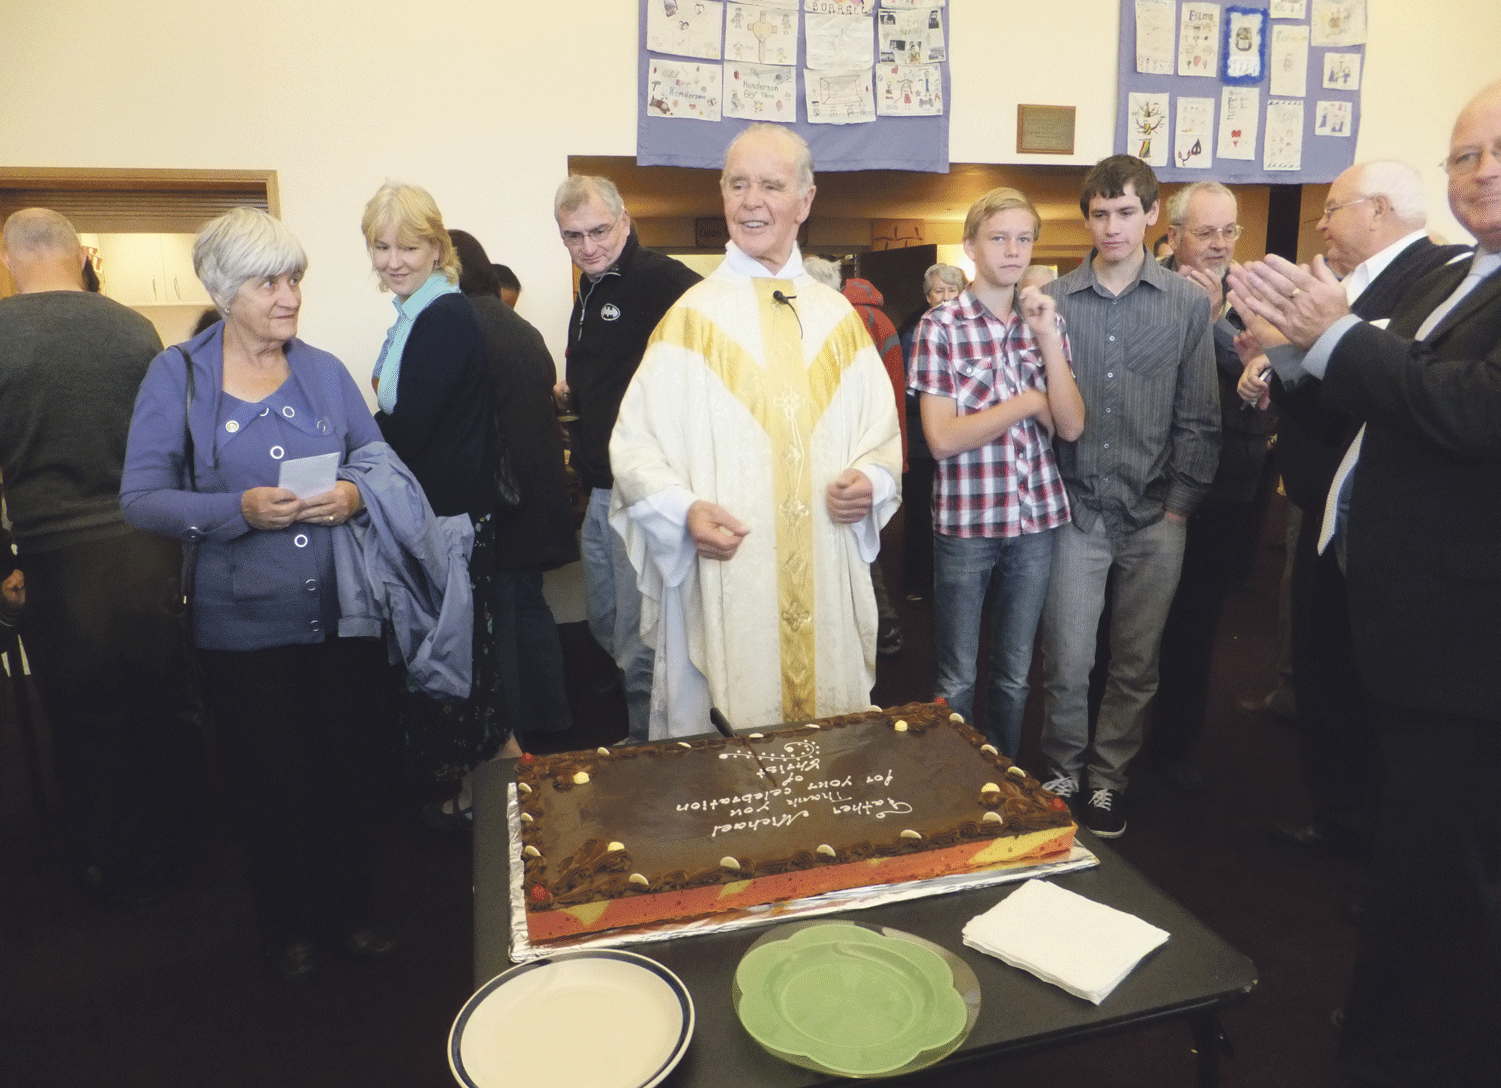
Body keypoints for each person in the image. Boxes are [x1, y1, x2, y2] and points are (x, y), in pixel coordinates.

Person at [1226, 79, 1501, 1088]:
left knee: (1450, 870)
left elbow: (1470, 410)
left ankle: (1421, 1048)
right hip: (1411, 618)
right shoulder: (1459, 276)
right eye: (1462, 154)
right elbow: (1383, 388)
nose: (1478, 172)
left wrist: (1334, 333)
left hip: (1467, 639)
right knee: (1419, 860)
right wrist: (1298, 346)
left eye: (1495, 151)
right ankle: (1409, 1016)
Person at [120, 208, 391, 980]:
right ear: (224, 289)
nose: (289, 295)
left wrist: (351, 492)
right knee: (272, 784)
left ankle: (351, 912)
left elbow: (380, 463)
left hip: (343, 614)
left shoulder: (324, 369)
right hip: (240, 627)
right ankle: (287, 928)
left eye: (294, 278)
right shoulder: (178, 375)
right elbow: (140, 499)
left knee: (347, 771)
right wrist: (232, 511)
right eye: (269, 281)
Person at [609, 123, 902, 736]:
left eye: (771, 185)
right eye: (738, 185)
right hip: (727, 570)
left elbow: (883, 436)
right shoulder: (689, 319)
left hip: (823, 565)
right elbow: (634, 448)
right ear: (721, 197)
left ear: (806, 199)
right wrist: (684, 512)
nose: (752, 201)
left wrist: (871, 482)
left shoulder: (838, 320)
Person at [1238, 161, 1471, 852]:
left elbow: (1391, 392)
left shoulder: (1434, 274)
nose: (1319, 223)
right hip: (1331, 506)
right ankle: (1343, 817)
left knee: (1375, 698)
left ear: (1374, 210)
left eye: (1331, 208)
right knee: (1327, 669)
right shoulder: (1361, 284)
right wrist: (1279, 355)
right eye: (1464, 157)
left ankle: (1369, 836)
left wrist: (1286, 349)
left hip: (1400, 527)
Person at [0, 208, 204, 906]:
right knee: (163, 704)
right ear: (80, 253)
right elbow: (173, 444)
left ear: (10, 258)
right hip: (144, 546)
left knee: (86, 721)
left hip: (56, 557)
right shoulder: (131, 328)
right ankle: (184, 847)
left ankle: (113, 863)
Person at [1037, 155, 1219, 838]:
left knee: (1135, 660)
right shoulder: (1055, 301)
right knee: (1069, 656)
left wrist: (1179, 505)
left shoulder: (1182, 304)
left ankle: (1107, 778)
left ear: (1151, 214)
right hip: (1077, 511)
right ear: (1086, 218)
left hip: (1153, 515)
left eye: (1123, 212)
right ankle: (1061, 766)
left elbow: (1199, 414)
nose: (1110, 226)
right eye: (1097, 213)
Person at [910, 187, 1085, 757]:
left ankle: (1004, 786)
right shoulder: (942, 326)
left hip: (1036, 520)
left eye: (1024, 238)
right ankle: (956, 788)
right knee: (957, 677)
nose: (1013, 250)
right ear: (971, 247)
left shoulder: (1045, 322)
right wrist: (1025, 404)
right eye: (999, 238)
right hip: (967, 522)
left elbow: (1072, 426)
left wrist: (1045, 340)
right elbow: (941, 439)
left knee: (1014, 676)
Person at [361, 182, 514, 827]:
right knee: (463, 658)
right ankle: (490, 789)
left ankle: (497, 796)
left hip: (455, 518)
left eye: (408, 246)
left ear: (436, 248)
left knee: (463, 661)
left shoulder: (441, 317)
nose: (393, 260)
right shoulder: (416, 315)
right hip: (448, 511)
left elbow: (410, 425)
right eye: (380, 247)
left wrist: (355, 443)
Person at [552, 175, 701, 743]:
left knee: (643, 637)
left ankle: (650, 747)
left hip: (643, 492)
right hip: (597, 488)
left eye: (599, 231)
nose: (588, 247)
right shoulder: (588, 292)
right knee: (607, 623)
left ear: (625, 221)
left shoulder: (662, 280)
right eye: (573, 237)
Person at [1148, 182, 1273, 792]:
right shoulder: (1145, 285)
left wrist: (1233, 333)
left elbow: (1276, 376)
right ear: (1172, 237)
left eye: (1230, 232)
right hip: (1151, 486)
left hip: (1229, 487)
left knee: (1195, 624)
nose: (1221, 245)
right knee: (1127, 624)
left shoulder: (1257, 295)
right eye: (1206, 232)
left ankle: (1174, 747)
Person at [449, 228, 577, 739]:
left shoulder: (459, 324)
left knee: (497, 618)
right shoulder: (520, 328)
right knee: (530, 608)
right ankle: (556, 724)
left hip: (494, 501)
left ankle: (513, 738)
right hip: (537, 498)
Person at [807, 256, 906, 656]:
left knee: (856, 542)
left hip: (854, 452)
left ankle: (878, 627)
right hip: (876, 446)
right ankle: (880, 626)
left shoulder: (845, 326)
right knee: (861, 541)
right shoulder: (875, 319)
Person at [897, 263, 966, 604]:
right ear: (927, 297)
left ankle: (951, 582)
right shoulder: (916, 331)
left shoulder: (972, 329)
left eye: (951, 290)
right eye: (938, 291)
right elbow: (910, 390)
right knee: (921, 515)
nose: (945, 297)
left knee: (955, 514)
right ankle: (918, 584)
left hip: (961, 439)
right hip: (922, 440)